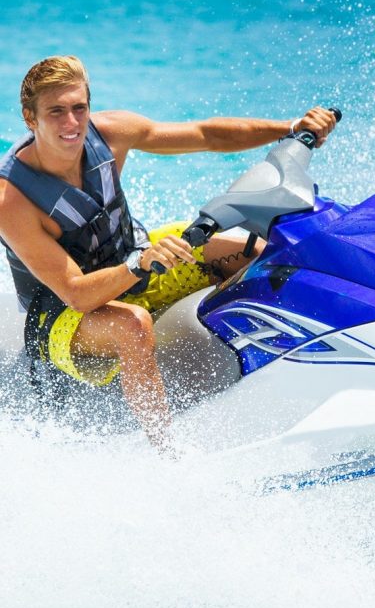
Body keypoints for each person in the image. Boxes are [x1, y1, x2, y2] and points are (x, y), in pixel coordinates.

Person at [0, 55, 336, 447]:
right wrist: (138, 264)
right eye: (56, 112)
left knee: (258, 251)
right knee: (133, 325)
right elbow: (75, 291)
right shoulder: (12, 200)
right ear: (30, 118)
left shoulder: (110, 133)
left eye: (79, 108)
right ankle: (165, 452)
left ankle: (286, 362)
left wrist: (291, 128)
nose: (72, 123)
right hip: (62, 314)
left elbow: (206, 134)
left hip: (134, 261)